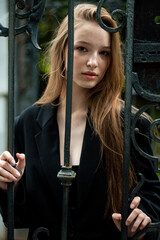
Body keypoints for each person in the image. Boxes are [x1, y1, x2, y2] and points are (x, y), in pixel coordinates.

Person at [0, 3, 160, 240]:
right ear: (63, 50)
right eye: (82, 48)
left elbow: (152, 195)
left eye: (104, 53)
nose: (93, 62)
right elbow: (20, 218)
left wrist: (144, 214)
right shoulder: (28, 123)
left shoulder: (132, 123)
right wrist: (7, 185)